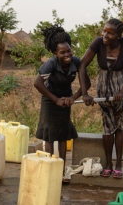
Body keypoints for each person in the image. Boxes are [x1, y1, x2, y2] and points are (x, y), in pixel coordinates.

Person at [79, 18, 123, 179]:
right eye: (104, 31)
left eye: (110, 33)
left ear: (119, 35)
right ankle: (108, 164)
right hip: (104, 92)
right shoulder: (98, 43)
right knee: (107, 126)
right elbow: (82, 65)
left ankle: (119, 164)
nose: (105, 35)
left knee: (119, 126)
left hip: (122, 90)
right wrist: (85, 93)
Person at [34, 25, 90, 184]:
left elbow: (86, 83)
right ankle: (50, 168)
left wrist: (73, 97)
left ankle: (62, 170)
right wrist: (56, 100)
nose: (67, 55)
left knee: (64, 135)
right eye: (62, 52)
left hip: (66, 99)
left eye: (69, 51)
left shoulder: (76, 62)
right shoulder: (50, 64)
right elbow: (38, 84)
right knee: (50, 135)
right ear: (55, 53)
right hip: (50, 100)